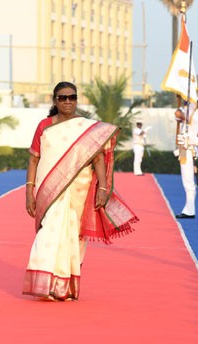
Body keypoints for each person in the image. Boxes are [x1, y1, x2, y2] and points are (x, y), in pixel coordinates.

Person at [23, 81, 139, 301]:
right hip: (49, 190)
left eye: (72, 97)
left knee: (73, 237)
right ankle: (45, 283)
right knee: (49, 232)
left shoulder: (87, 127)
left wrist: (103, 188)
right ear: (54, 100)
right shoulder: (45, 126)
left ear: (77, 99)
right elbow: (33, 159)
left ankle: (62, 288)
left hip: (80, 190)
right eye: (63, 98)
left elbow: (97, 159)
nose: (68, 101)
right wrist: (29, 191)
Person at [175, 101, 198, 219]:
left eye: (188, 104)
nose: (185, 106)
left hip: (188, 150)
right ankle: (188, 209)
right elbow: (178, 137)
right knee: (186, 181)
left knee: (188, 182)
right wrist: (178, 122)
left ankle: (190, 210)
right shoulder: (186, 121)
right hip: (183, 150)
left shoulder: (194, 118)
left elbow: (180, 115)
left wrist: (181, 116)